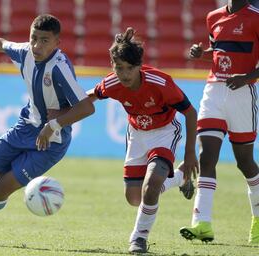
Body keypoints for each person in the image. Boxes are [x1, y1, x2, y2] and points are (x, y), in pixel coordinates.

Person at [0, 14, 95, 245]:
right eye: (34, 38)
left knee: (1, 188)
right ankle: (14, 171)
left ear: (57, 43)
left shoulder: (59, 68)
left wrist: (54, 125)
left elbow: (87, 107)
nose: (37, 45)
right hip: (24, 128)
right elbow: (0, 44)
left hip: (51, 141)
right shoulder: (25, 52)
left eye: (45, 41)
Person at [88, 27, 199, 254]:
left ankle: (138, 238)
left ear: (139, 66)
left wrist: (190, 153)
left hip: (165, 132)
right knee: (134, 198)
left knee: (151, 187)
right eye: (119, 68)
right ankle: (179, 178)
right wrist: (62, 112)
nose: (125, 74)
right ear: (112, 66)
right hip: (137, 134)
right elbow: (90, 96)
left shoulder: (160, 83)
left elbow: (190, 112)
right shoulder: (112, 83)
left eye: (130, 68)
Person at [179, 0, 259, 245]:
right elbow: (219, 55)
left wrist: (247, 78)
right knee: (207, 156)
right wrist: (201, 55)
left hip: (242, 95)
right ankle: (202, 222)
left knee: (244, 162)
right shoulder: (213, 16)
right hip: (214, 91)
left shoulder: (256, 17)